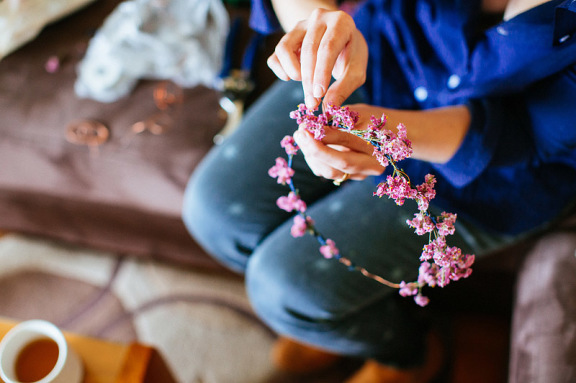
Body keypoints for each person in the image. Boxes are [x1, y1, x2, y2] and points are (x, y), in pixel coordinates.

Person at [182, 0, 576, 381]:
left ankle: (405, 354)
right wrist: (320, 33)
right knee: (214, 210)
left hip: (498, 172)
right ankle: (339, 320)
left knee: (286, 287)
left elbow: (527, 135)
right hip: (380, 56)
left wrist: (389, 134)